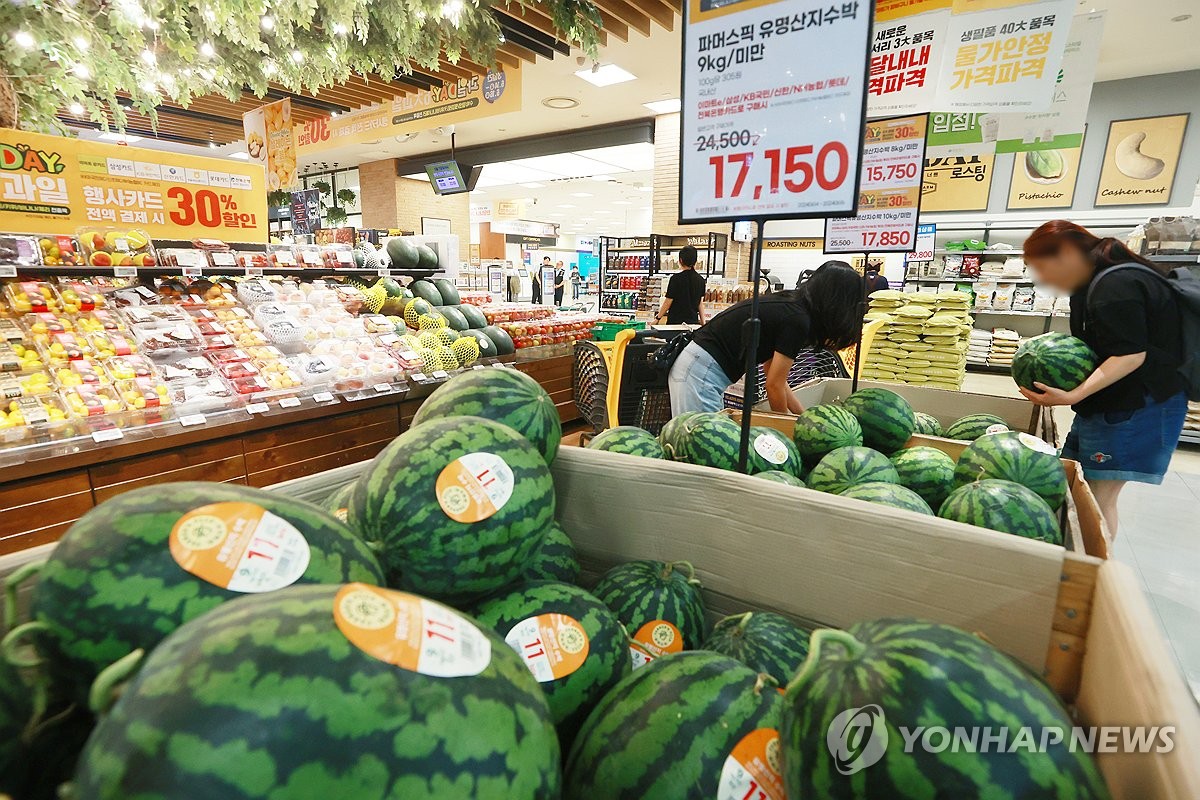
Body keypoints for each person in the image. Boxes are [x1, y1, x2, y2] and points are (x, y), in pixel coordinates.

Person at [1020, 220, 1186, 536]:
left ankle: (1094, 569)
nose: (1041, 278)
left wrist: (1073, 394)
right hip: (1110, 404)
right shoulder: (1096, 283)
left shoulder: (1116, 285)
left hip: (1136, 407)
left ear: (1067, 254)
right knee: (1073, 479)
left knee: (1097, 496)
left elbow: (1130, 354)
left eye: (1041, 267)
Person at [668, 260, 863, 415]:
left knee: (704, 442)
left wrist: (801, 416)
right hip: (701, 373)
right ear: (838, 301)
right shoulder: (798, 320)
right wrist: (787, 428)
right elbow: (773, 386)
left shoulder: (792, 307)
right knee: (699, 447)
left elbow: (774, 375)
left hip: (698, 368)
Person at [656, 245, 707, 326]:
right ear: (695, 261)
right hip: (692, 323)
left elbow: (668, 302)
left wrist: (658, 318)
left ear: (680, 260)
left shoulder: (675, 279)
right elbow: (700, 303)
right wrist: (703, 322)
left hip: (675, 323)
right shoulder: (700, 280)